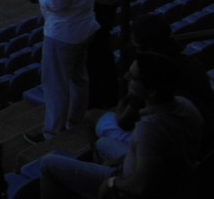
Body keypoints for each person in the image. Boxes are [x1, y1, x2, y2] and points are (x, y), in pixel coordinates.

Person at [40, 52, 203, 199]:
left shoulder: (149, 130)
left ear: (152, 91)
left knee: (48, 163)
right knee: (101, 143)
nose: (126, 77)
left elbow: (140, 187)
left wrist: (113, 182)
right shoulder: (185, 105)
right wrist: (123, 160)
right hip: (171, 178)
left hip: (127, 185)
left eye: (133, 77)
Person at [92, 12, 214, 164]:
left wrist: (123, 102)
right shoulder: (192, 63)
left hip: (175, 150)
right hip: (200, 141)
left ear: (146, 46)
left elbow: (124, 122)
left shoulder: (150, 73)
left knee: (98, 121)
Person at [19, 0, 98, 143]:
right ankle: (74, 120)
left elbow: (57, 3)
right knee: (78, 78)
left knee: (55, 84)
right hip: (83, 26)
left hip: (63, 32)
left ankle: (52, 132)